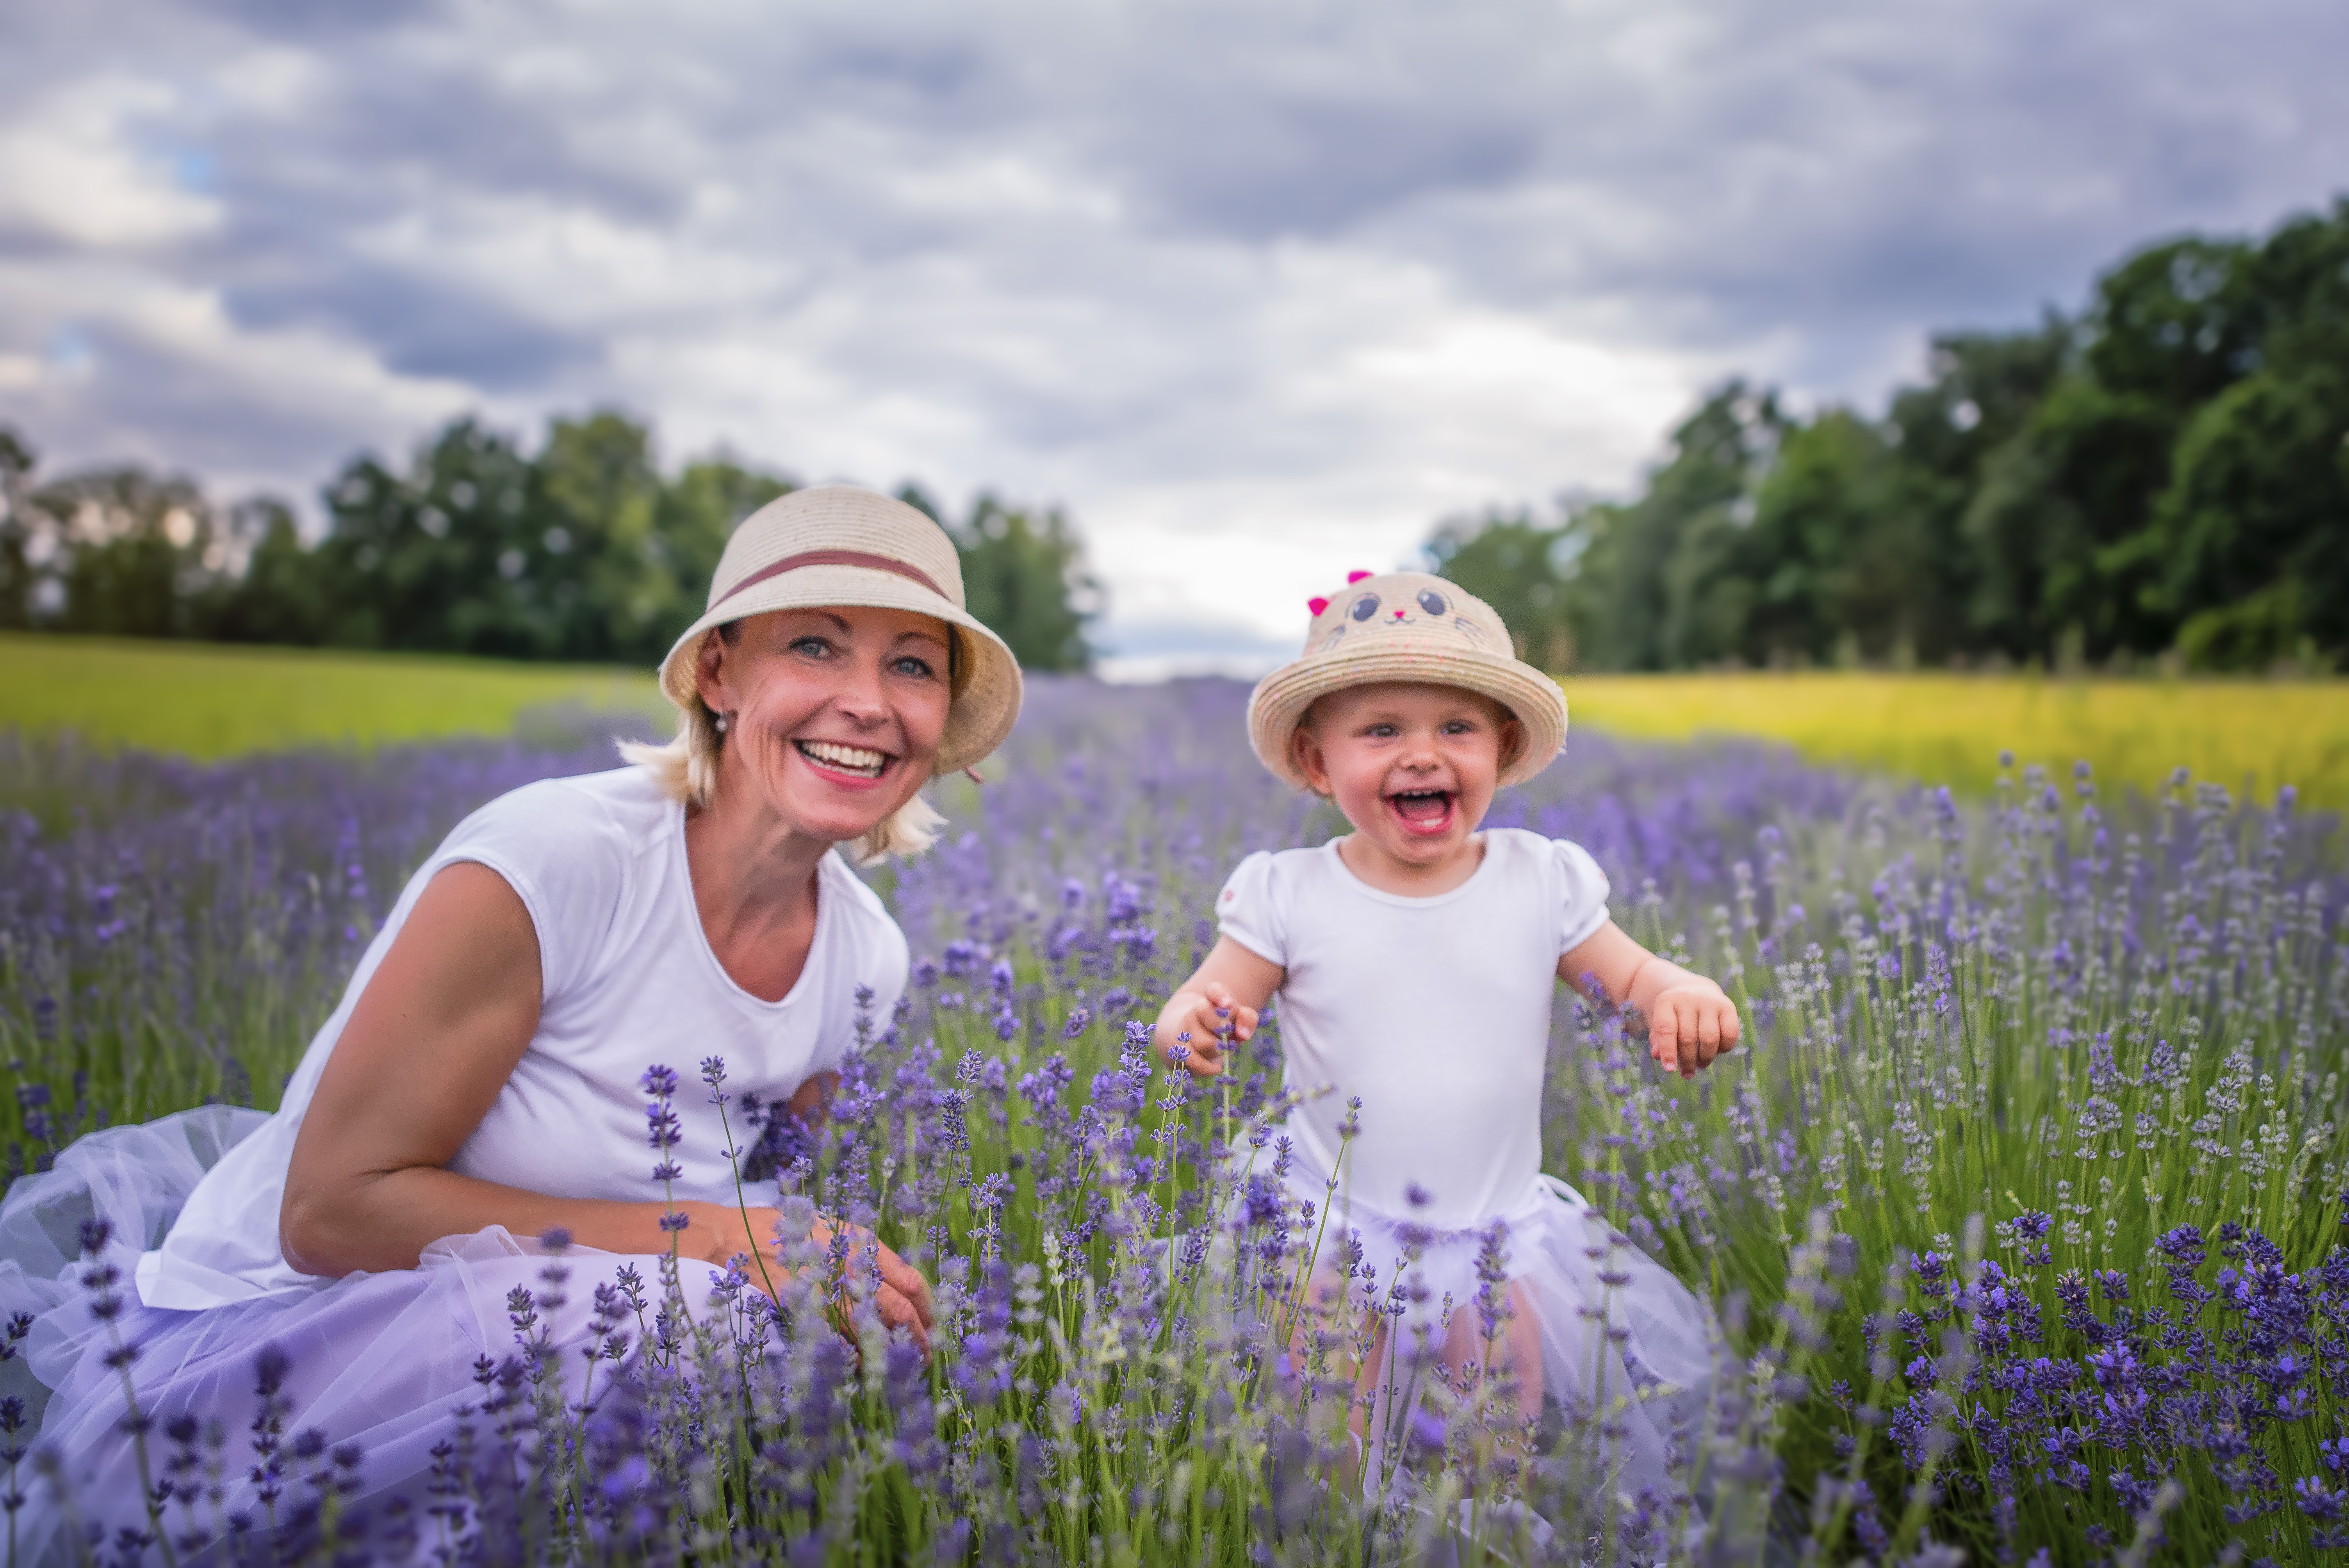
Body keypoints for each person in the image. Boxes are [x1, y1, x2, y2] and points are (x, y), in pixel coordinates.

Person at [0, 486, 1023, 1554]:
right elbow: (333, 1213)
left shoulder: (869, 956)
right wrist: (725, 1243)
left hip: (583, 1341)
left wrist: (821, 1266)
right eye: (815, 646)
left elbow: (766, 1182)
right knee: (696, 1324)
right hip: (310, 1349)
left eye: (912, 664)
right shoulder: (555, 860)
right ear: (719, 675)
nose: (866, 701)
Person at [1151, 570, 1734, 1497]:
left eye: (1455, 728)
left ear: (1501, 750)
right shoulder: (1286, 891)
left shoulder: (1539, 879)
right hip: (1327, 1234)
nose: (1422, 755)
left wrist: (1675, 990)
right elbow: (1200, 996)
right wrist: (1192, 1026)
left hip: (1495, 1241)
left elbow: (1627, 977)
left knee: (1488, 1463)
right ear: (1315, 761)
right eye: (1381, 729)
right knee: (1329, 1465)